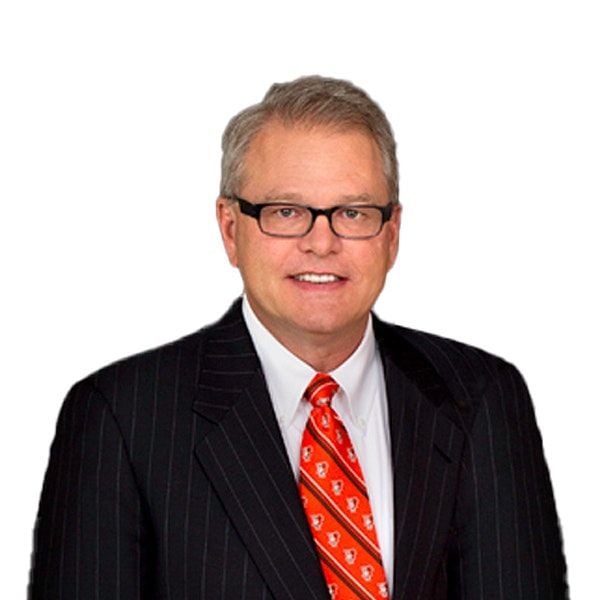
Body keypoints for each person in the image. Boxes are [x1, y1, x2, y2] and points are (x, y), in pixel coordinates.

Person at [29, 75, 568, 599]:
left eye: (353, 213)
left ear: (392, 233)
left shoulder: (482, 398)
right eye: (286, 212)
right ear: (230, 228)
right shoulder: (120, 419)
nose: (321, 242)